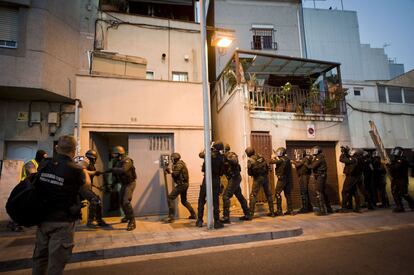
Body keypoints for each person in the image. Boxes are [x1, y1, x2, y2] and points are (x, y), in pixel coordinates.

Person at [32, 135, 96, 275]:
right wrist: (83, 169)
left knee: (40, 260)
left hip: (43, 221)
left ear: (56, 148)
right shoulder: (76, 170)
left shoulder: (44, 164)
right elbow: (85, 189)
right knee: (56, 265)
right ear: (74, 150)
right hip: (62, 223)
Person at [9, 150, 49, 232]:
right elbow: (33, 175)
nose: (44, 159)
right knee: (21, 206)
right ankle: (14, 223)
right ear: (39, 157)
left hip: (31, 188)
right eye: (43, 157)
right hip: (25, 188)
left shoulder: (39, 164)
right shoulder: (30, 164)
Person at [107, 146, 137, 231]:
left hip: (130, 183)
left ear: (119, 153)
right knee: (121, 202)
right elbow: (118, 176)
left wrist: (112, 169)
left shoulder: (127, 160)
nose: (113, 155)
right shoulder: (118, 162)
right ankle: (127, 216)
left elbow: (123, 170)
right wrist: (112, 184)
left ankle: (132, 221)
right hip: (124, 184)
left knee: (126, 202)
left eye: (114, 153)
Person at [196, 141, 225, 229]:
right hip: (216, 180)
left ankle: (200, 220)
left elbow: (200, 154)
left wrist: (207, 146)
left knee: (201, 200)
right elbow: (222, 171)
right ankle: (216, 221)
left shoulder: (207, 154)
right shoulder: (221, 157)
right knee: (215, 202)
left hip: (206, 179)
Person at [221, 144, 250, 223]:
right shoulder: (222, 157)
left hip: (235, 178)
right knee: (239, 196)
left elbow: (234, 161)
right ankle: (247, 214)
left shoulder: (231, 155)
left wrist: (226, 156)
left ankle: (226, 217)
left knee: (226, 196)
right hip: (232, 178)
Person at [165, 152, 196, 223]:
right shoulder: (179, 163)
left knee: (170, 197)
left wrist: (169, 171)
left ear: (175, 158)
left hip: (182, 185)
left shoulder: (179, 164)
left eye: (172, 158)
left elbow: (175, 173)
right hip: (184, 184)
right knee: (184, 201)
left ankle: (171, 217)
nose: (171, 159)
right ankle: (193, 214)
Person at [245, 146, 275, 218]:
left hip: (257, 178)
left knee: (253, 195)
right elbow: (267, 165)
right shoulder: (260, 156)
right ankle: (272, 212)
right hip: (265, 177)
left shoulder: (250, 160)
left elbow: (249, 173)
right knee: (269, 194)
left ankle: (250, 214)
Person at [83, 150, 109, 228]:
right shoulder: (85, 164)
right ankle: (90, 222)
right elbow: (83, 172)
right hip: (82, 188)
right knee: (95, 200)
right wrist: (94, 172)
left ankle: (99, 220)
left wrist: (97, 187)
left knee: (98, 200)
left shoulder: (91, 166)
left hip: (87, 187)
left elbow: (89, 180)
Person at [387, 146, 414, 212]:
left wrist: (389, 165)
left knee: (404, 193)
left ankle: (412, 204)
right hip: (395, 179)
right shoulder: (395, 159)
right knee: (394, 192)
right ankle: (399, 206)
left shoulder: (402, 160)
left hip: (402, 179)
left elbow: (396, 167)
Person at [308, 146, 333, 216]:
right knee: (323, 192)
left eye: (314, 150)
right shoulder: (318, 157)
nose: (313, 151)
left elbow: (312, 166)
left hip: (320, 176)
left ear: (317, 151)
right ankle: (329, 209)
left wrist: (306, 164)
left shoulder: (319, 157)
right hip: (320, 176)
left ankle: (322, 210)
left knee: (318, 191)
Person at [337, 147, 363, 213]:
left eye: (353, 151)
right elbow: (348, 157)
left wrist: (343, 153)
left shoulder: (354, 159)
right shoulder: (358, 158)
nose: (351, 152)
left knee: (344, 191)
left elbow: (342, 159)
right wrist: (346, 151)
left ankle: (344, 208)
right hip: (354, 177)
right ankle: (357, 208)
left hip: (351, 177)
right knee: (354, 192)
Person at [270, 147, 293, 215]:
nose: (277, 153)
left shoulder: (281, 160)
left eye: (278, 152)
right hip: (288, 179)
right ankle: (290, 210)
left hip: (282, 179)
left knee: (277, 193)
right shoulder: (287, 159)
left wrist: (273, 157)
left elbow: (271, 162)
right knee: (288, 194)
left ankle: (279, 210)